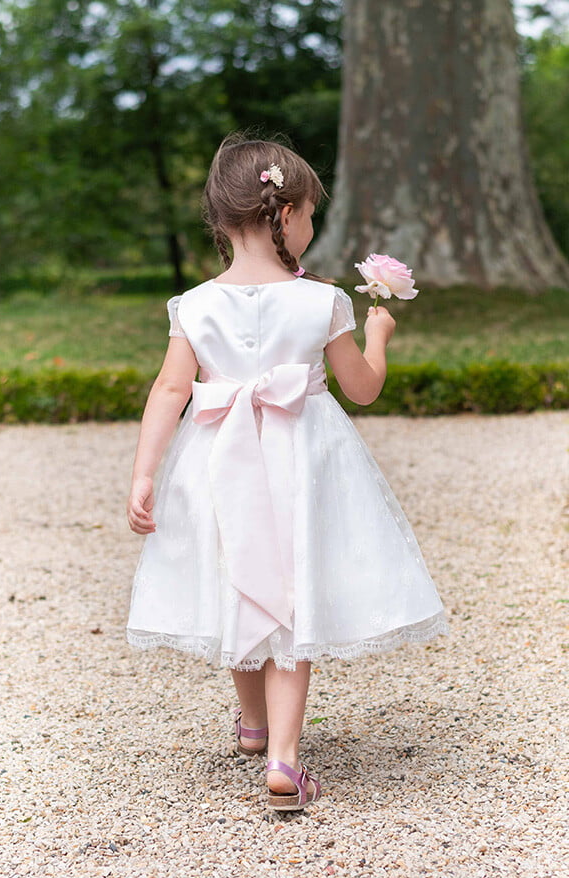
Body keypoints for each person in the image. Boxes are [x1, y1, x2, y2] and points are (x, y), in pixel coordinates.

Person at [126, 134, 449, 812]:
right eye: (309, 215)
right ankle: (284, 760)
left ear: (220, 220)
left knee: (237, 577)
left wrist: (144, 473)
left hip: (216, 459)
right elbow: (360, 389)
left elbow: (167, 391)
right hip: (302, 460)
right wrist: (379, 336)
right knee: (291, 595)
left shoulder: (193, 304)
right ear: (290, 213)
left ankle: (253, 726)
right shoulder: (323, 301)